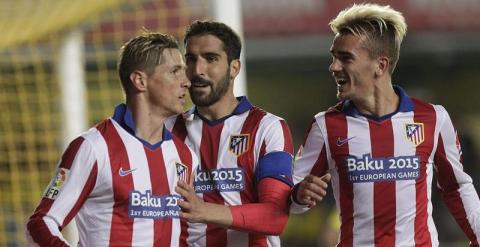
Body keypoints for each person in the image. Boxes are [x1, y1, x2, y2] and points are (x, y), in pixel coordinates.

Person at [291, 3, 480, 246]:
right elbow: (290, 198)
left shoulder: (433, 118)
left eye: (345, 58)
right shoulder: (326, 126)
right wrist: (298, 194)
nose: (334, 67)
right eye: (334, 58)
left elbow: (457, 187)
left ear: (381, 65)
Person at [26, 32, 197, 246]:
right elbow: (41, 223)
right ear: (140, 80)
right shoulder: (93, 148)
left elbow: (186, 234)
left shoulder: (185, 156)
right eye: (174, 72)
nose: (186, 82)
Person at [165, 21, 294, 247]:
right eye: (191, 59)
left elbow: (274, 216)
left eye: (211, 58)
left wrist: (204, 210)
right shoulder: (167, 129)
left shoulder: (267, 128)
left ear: (234, 68)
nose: (197, 70)